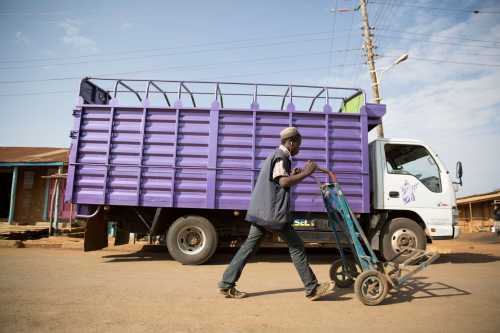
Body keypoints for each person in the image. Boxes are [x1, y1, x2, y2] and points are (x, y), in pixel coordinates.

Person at [218, 127, 335, 300]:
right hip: (273, 213)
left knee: (248, 248)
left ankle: (226, 284)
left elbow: (280, 178)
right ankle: (312, 288)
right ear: (291, 142)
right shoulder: (281, 157)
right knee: (297, 247)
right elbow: (283, 182)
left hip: (263, 212)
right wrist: (305, 172)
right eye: (298, 145)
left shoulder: (278, 156)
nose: (299, 149)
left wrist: (295, 173)